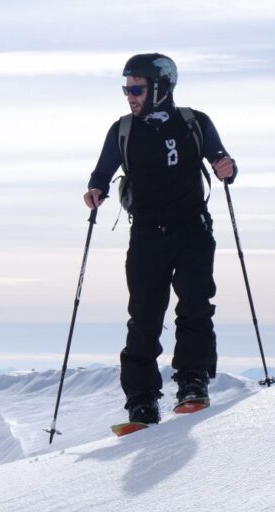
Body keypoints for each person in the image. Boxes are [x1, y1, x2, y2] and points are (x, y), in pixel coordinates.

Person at [83, 53, 237, 425]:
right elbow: (102, 171)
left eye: (136, 88)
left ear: (162, 87)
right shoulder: (122, 130)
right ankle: (141, 400)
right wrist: (95, 189)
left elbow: (222, 162)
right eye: (126, 88)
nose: (129, 96)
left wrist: (227, 168)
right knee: (144, 317)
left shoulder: (194, 123)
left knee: (195, 307)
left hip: (193, 230)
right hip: (147, 234)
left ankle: (192, 384)